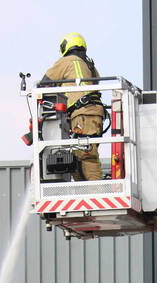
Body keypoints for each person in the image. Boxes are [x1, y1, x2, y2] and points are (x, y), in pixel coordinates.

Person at [40, 33, 105, 181]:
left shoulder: (68, 60)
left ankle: (96, 189)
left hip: (84, 114)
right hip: (93, 113)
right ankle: (86, 190)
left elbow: (45, 82)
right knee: (78, 154)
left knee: (87, 155)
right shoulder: (90, 65)